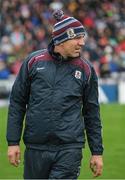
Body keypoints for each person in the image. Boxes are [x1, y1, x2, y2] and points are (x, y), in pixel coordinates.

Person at [6, 10, 103, 179]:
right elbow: (17, 103)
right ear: (61, 40)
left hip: (69, 149)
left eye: (83, 37)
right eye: (77, 38)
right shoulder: (33, 62)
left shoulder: (86, 69)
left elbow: (92, 113)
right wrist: (13, 142)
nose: (82, 43)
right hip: (36, 148)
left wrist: (97, 152)